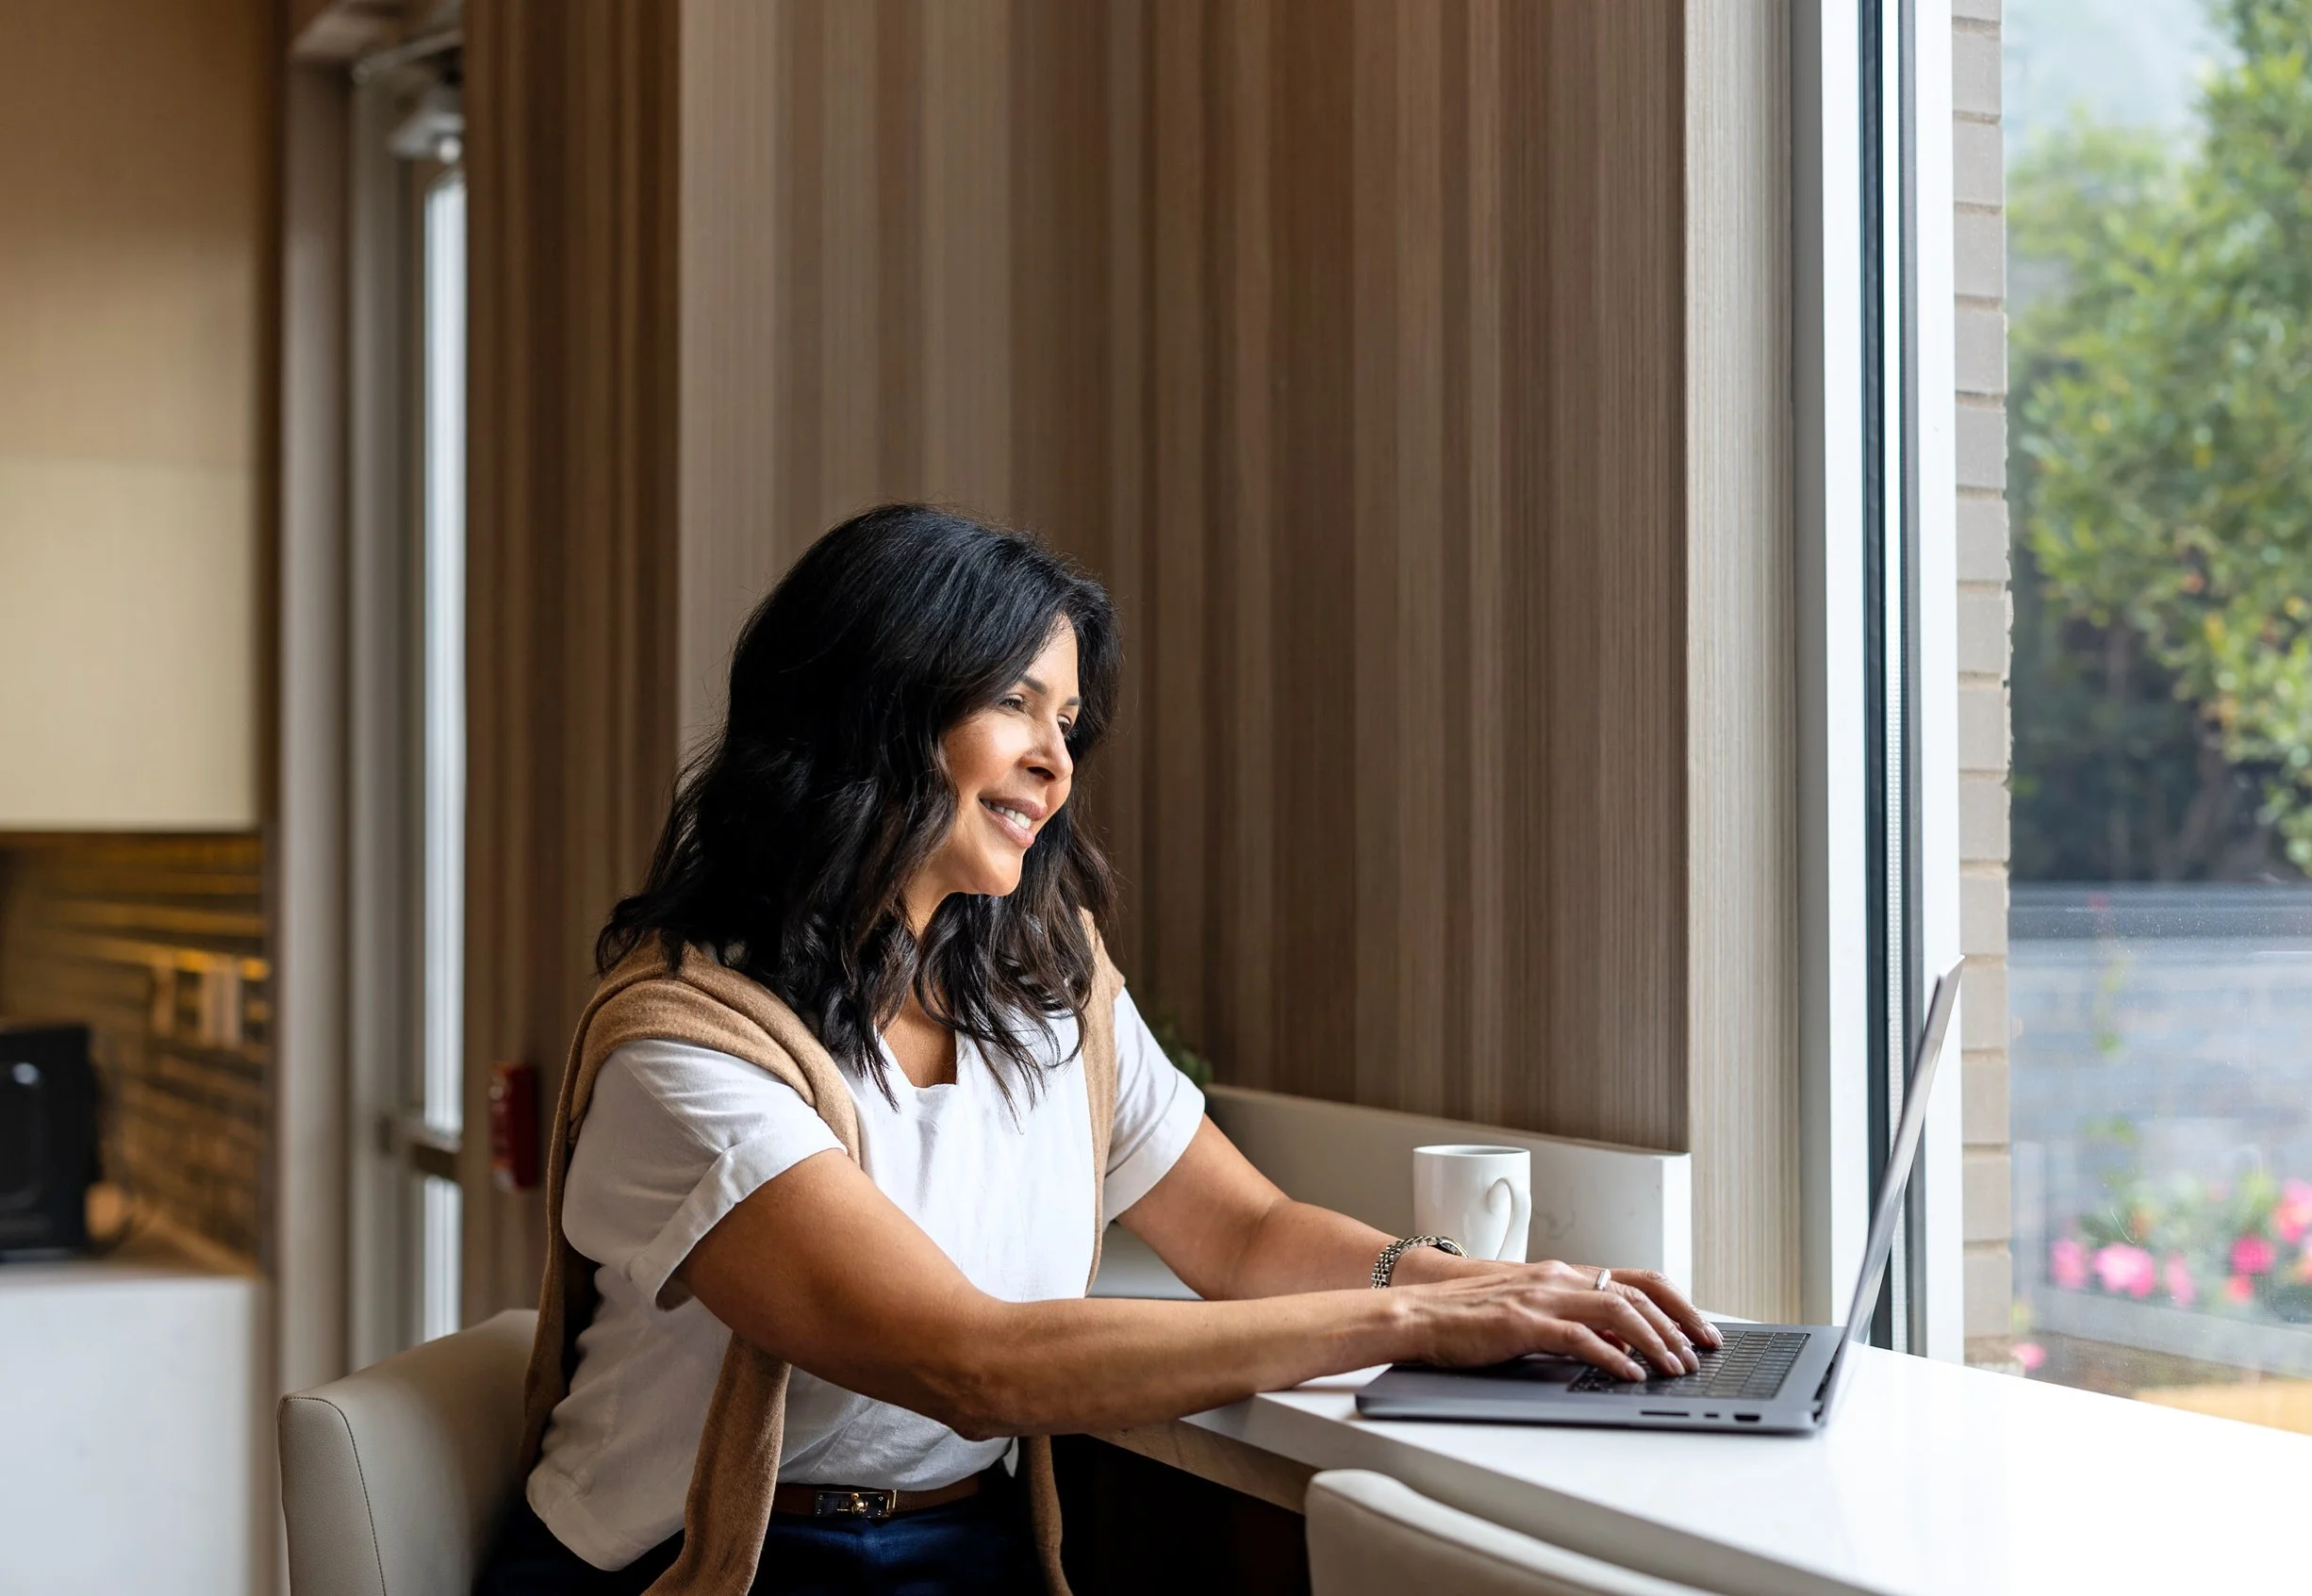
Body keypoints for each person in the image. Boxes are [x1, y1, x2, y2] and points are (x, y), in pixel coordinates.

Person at [477, 504, 1717, 1596]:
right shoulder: (688, 1046)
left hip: (968, 1551)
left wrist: (1495, 1293)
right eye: (1014, 703)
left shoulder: (1042, 990)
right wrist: (1416, 1326)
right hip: (707, 1569)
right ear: (872, 708)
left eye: (1068, 721)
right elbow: (968, 1363)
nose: (1056, 762)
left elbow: (1245, 1234)